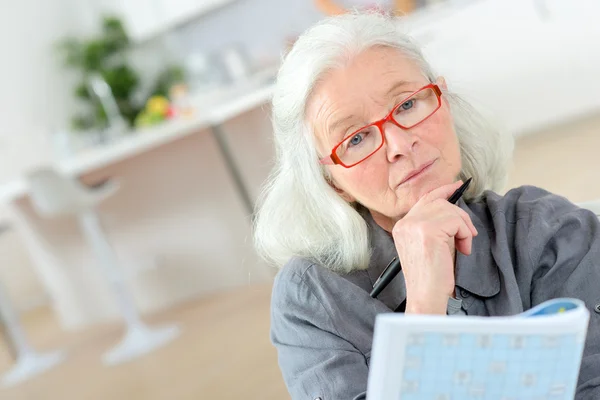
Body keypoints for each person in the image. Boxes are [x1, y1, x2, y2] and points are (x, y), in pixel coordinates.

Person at [253, 12, 600, 400]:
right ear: (332, 181)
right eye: (356, 139)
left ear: (443, 100)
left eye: (406, 106)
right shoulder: (311, 299)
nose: (400, 145)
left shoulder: (547, 228)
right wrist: (424, 309)